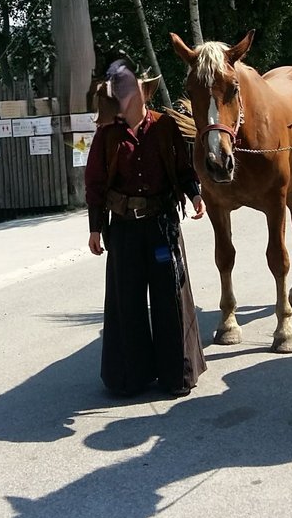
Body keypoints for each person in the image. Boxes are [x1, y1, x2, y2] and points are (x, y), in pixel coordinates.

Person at [85, 54, 207, 398]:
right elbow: (94, 182)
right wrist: (96, 227)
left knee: (170, 297)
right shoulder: (107, 135)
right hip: (123, 230)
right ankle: (129, 377)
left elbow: (184, 168)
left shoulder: (165, 126)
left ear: (143, 93)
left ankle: (177, 375)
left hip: (161, 227)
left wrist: (195, 195)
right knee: (128, 302)